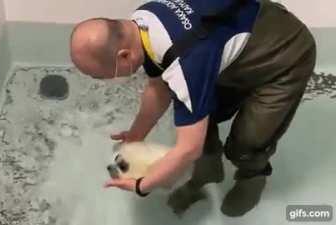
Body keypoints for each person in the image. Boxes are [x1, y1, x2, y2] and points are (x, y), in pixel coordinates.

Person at [69, 0, 316, 217]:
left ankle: (253, 175)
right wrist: (136, 134)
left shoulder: (185, 64)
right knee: (201, 118)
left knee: (246, 144)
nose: (108, 80)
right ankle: (207, 174)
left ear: (124, 56)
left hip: (284, 52)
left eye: (103, 76)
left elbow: (188, 149)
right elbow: (159, 86)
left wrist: (141, 186)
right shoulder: (142, 21)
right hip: (237, 38)